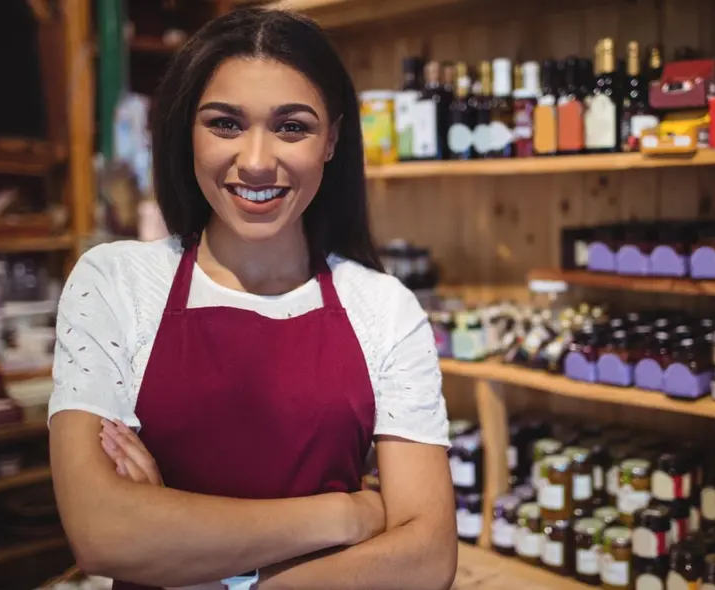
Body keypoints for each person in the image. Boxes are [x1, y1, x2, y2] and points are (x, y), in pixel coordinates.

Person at [47, 7, 457, 590]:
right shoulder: (115, 282)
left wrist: (183, 548)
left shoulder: (385, 308)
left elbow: (427, 557)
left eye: (292, 127)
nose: (258, 161)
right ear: (187, 131)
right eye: (225, 124)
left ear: (332, 140)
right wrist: (344, 515)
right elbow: (102, 533)